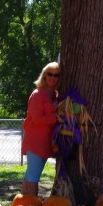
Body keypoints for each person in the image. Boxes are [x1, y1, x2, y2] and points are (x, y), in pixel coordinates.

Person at [20, 62, 61, 198]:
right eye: (50, 74)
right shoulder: (37, 94)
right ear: (44, 75)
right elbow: (37, 118)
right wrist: (56, 117)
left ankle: (24, 203)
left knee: (31, 173)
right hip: (36, 141)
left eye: (56, 75)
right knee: (33, 175)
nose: (53, 78)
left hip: (45, 141)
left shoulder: (53, 94)